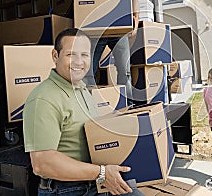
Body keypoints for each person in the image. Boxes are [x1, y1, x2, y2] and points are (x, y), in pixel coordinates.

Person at [23, 28, 144, 196]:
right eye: (71, 55)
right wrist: (102, 173)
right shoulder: (43, 99)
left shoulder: (81, 89)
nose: (79, 62)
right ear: (55, 56)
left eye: (85, 55)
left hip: (94, 180)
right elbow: (42, 163)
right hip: (66, 189)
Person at [76, 0, 139, 106]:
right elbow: (81, 5)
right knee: (88, 71)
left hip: (119, 31)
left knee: (124, 70)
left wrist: (135, 20)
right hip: (95, 32)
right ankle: (89, 106)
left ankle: (126, 104)